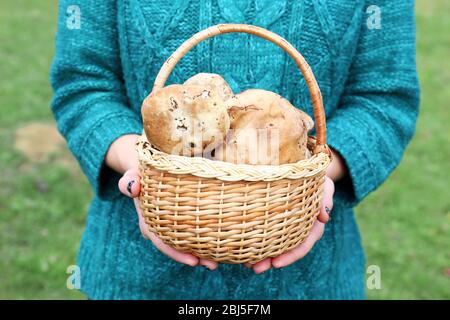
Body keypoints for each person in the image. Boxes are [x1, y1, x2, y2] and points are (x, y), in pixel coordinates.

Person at [50, 0, 419, 299]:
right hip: (137, 275)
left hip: (310, 281)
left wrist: (315, 176)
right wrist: (143, 169)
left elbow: (384, 98)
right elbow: (84, 84)